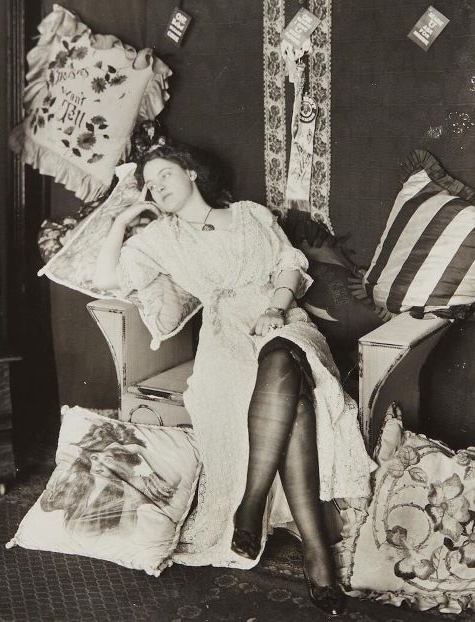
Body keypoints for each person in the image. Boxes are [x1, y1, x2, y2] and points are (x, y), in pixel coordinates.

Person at [93, 141, 375, 617]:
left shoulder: (249, 214)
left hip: (281, 319)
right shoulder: (160, 238)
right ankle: (318, 558)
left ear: (191, 173)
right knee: (294, 404)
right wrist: (123, 219)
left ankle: (251, 501)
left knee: (283, 354)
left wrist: (275, 308)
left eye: (165, 175)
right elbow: (105, 278)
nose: (158, 187)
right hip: (225, 340)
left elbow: (289, 264)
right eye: (150, 185)